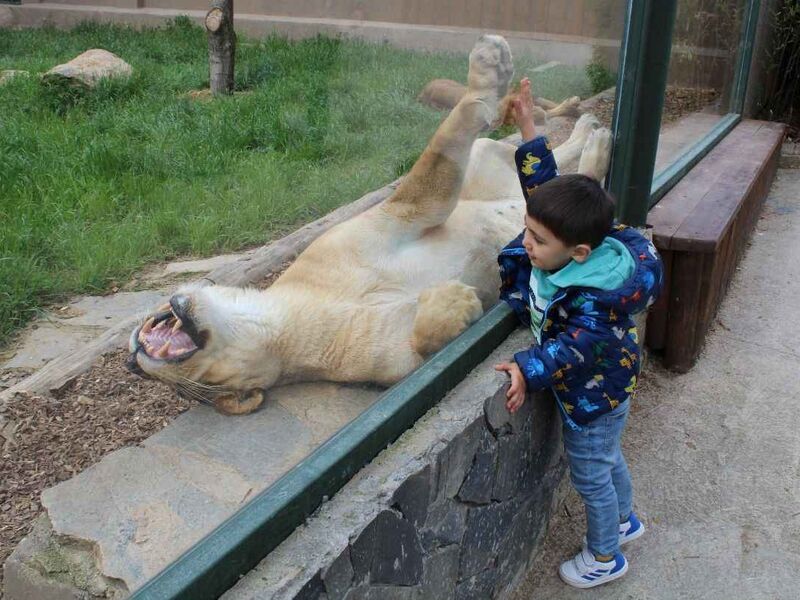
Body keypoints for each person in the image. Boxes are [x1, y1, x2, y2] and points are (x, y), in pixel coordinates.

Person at [494, 77, 664, 589]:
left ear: (580, 253)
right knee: (608, 459)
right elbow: (544, 189)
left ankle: (605, 556)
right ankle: (625, 521)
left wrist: (527, 365)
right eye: (527, 230)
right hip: (607, 387)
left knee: (590, 471)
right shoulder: (571, 241)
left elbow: (570, 350)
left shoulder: (593, 300)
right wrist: (529, 127)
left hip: (595, 396)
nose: (525, 243)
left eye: (536, 240)